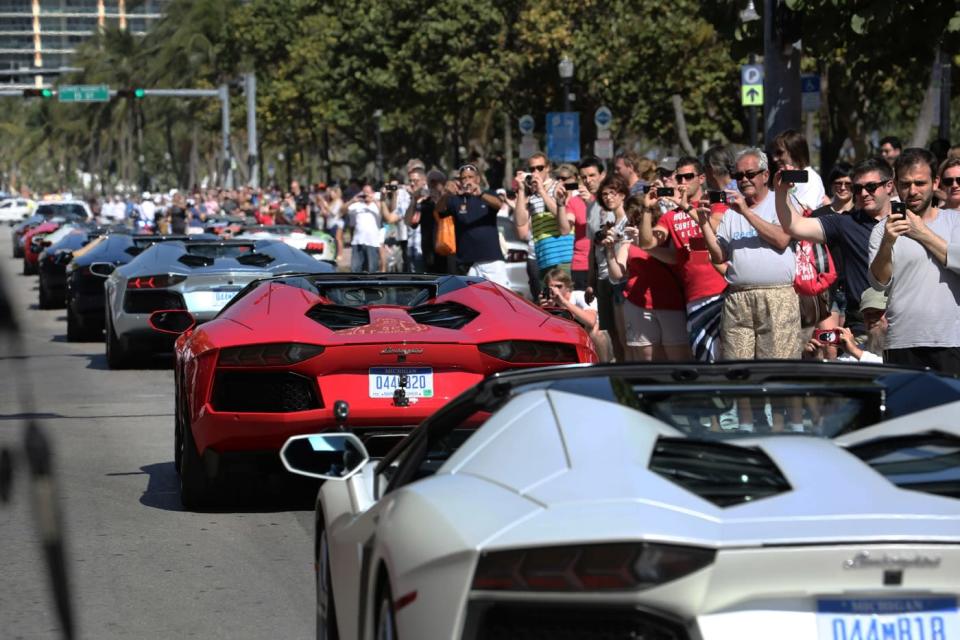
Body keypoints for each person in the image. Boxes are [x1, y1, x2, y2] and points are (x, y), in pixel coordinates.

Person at [698, 148, 799, 360]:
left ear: (765, 175)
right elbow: (719, 256)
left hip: (776, 298)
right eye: (738, 176)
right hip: (737, 298)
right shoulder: (730, 211)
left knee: (776, 369)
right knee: (738, 370)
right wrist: (704, 224)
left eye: (750, 174)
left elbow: (782, 239)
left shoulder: (780, 201)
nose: (744, 180)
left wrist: (746, 211)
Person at [775, 158, 893, 336]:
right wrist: (781, 190)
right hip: (863, 324)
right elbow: (794, 226)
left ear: (889, 186)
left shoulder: (910, 221)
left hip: (906, 322)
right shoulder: (846, 223)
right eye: (858, 188)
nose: (863, 193)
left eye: (870, 187)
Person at [868, 148, 960, 373]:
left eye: (920, 183)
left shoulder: (955, 221)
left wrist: (922, 233)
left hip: (950, 341)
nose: (913, 191)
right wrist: (888, 242)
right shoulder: (882, 230)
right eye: (906, 184)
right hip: (902, 341)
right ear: (896, 185)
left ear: (935, 182)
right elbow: (878, 282)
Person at [635, 155, 727, 361]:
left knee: (730, 357)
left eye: (688, 177)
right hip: (694, 297)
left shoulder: (715, 200)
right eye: (679, 178)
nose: (683, 182)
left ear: (701, 178)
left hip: (723, 291)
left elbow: (715, 228)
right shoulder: (670, 216)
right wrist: (648, 209)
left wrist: (687, 207)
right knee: (705, 359)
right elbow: (647, 243)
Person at [606, 193, 689, 361]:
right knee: (647, 358)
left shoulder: (663, 236)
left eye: (638, 219)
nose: (635, 224)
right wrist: (608, 251)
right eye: (633, 220)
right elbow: (617, 275)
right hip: (637, 303)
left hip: (670, 302)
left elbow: (673, 259)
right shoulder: (628, 243)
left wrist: (644, 244)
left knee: (678, 357)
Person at [440, 164, 509, 286]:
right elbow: (439, 211)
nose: (467, 181)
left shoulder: (487, 194)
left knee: (500, 298)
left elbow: (499, 204)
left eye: (470, 177)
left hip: (491, 259)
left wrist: (480, 194)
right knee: (470, 302)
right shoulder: (455, 200)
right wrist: (446, 194)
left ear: (477, 179)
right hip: (467, 263)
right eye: (464, 178)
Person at [514, 152, 573, 281]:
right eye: (532, 169)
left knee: (565, 298)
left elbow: (561, 216)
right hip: (543, 258)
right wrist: (521, 190)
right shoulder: (531, 194)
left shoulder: (559, 186)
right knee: (546, 300)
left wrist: (542, 191)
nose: (535, 172)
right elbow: (520, 223)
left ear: (548, 168)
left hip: (563, 257)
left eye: (539, 168)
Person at [540, 267, 600, 349]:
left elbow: (591, 321)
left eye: (558, 286)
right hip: (569, 337)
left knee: (594, 329)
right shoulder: (549, 302)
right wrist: (544, 309)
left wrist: (563, 302)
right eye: (551, 288)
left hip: (594, 335)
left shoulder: (581, 296)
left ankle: (601, 361)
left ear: (568, 286)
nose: (555, 290)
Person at [770, 129, 828, 211]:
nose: (774, 159)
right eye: (774, 153)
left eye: (780, 153)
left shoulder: (811, 178)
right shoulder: (782, 178)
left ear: (795, 152)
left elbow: (803, 214)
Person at [347, 184, 387, 272]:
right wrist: (352, 200)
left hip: (372, 242)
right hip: (357, 242)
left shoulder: (377, 204)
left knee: (372, 270)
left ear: (372, 193)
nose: (366, 194)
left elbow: (384, 215)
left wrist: (374, 200)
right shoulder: (357, 205)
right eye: (364, 192)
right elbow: (341, 211)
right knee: (355, 271)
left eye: (368, 192)